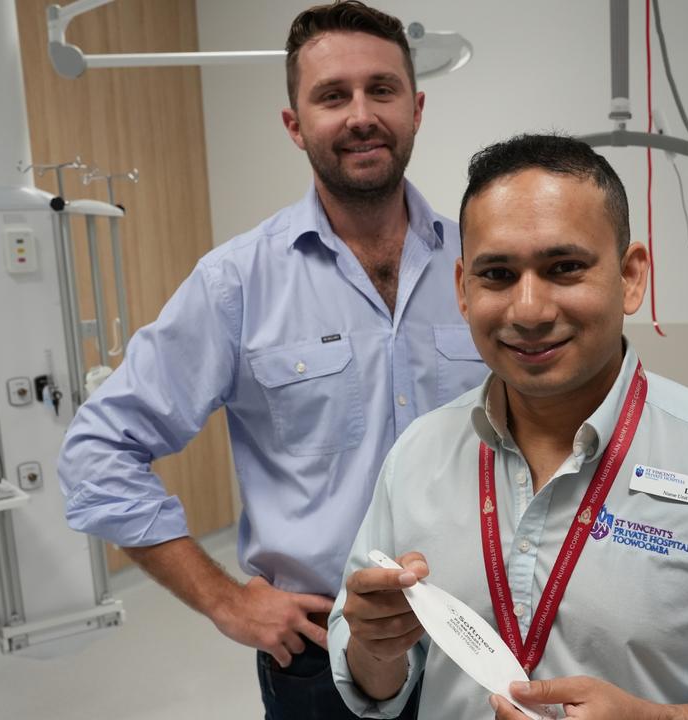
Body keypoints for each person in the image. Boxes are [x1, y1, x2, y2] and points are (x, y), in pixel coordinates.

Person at [329, 134, 688, 719]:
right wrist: (376, 649)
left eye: (565, 267)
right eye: (497, 274)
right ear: (463, 290)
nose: (529, 310)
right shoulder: (418, 456)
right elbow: (374, 678)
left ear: (630, 277)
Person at [57, 3, 488, 718]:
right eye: (331, 96)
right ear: (295, 124)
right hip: (318, 652)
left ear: (415, 109)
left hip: (479, 638)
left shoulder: (482, 267)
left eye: (381, 90)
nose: (360, 115)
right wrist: (224, 599)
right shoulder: (237, 283)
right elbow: (98, 452)